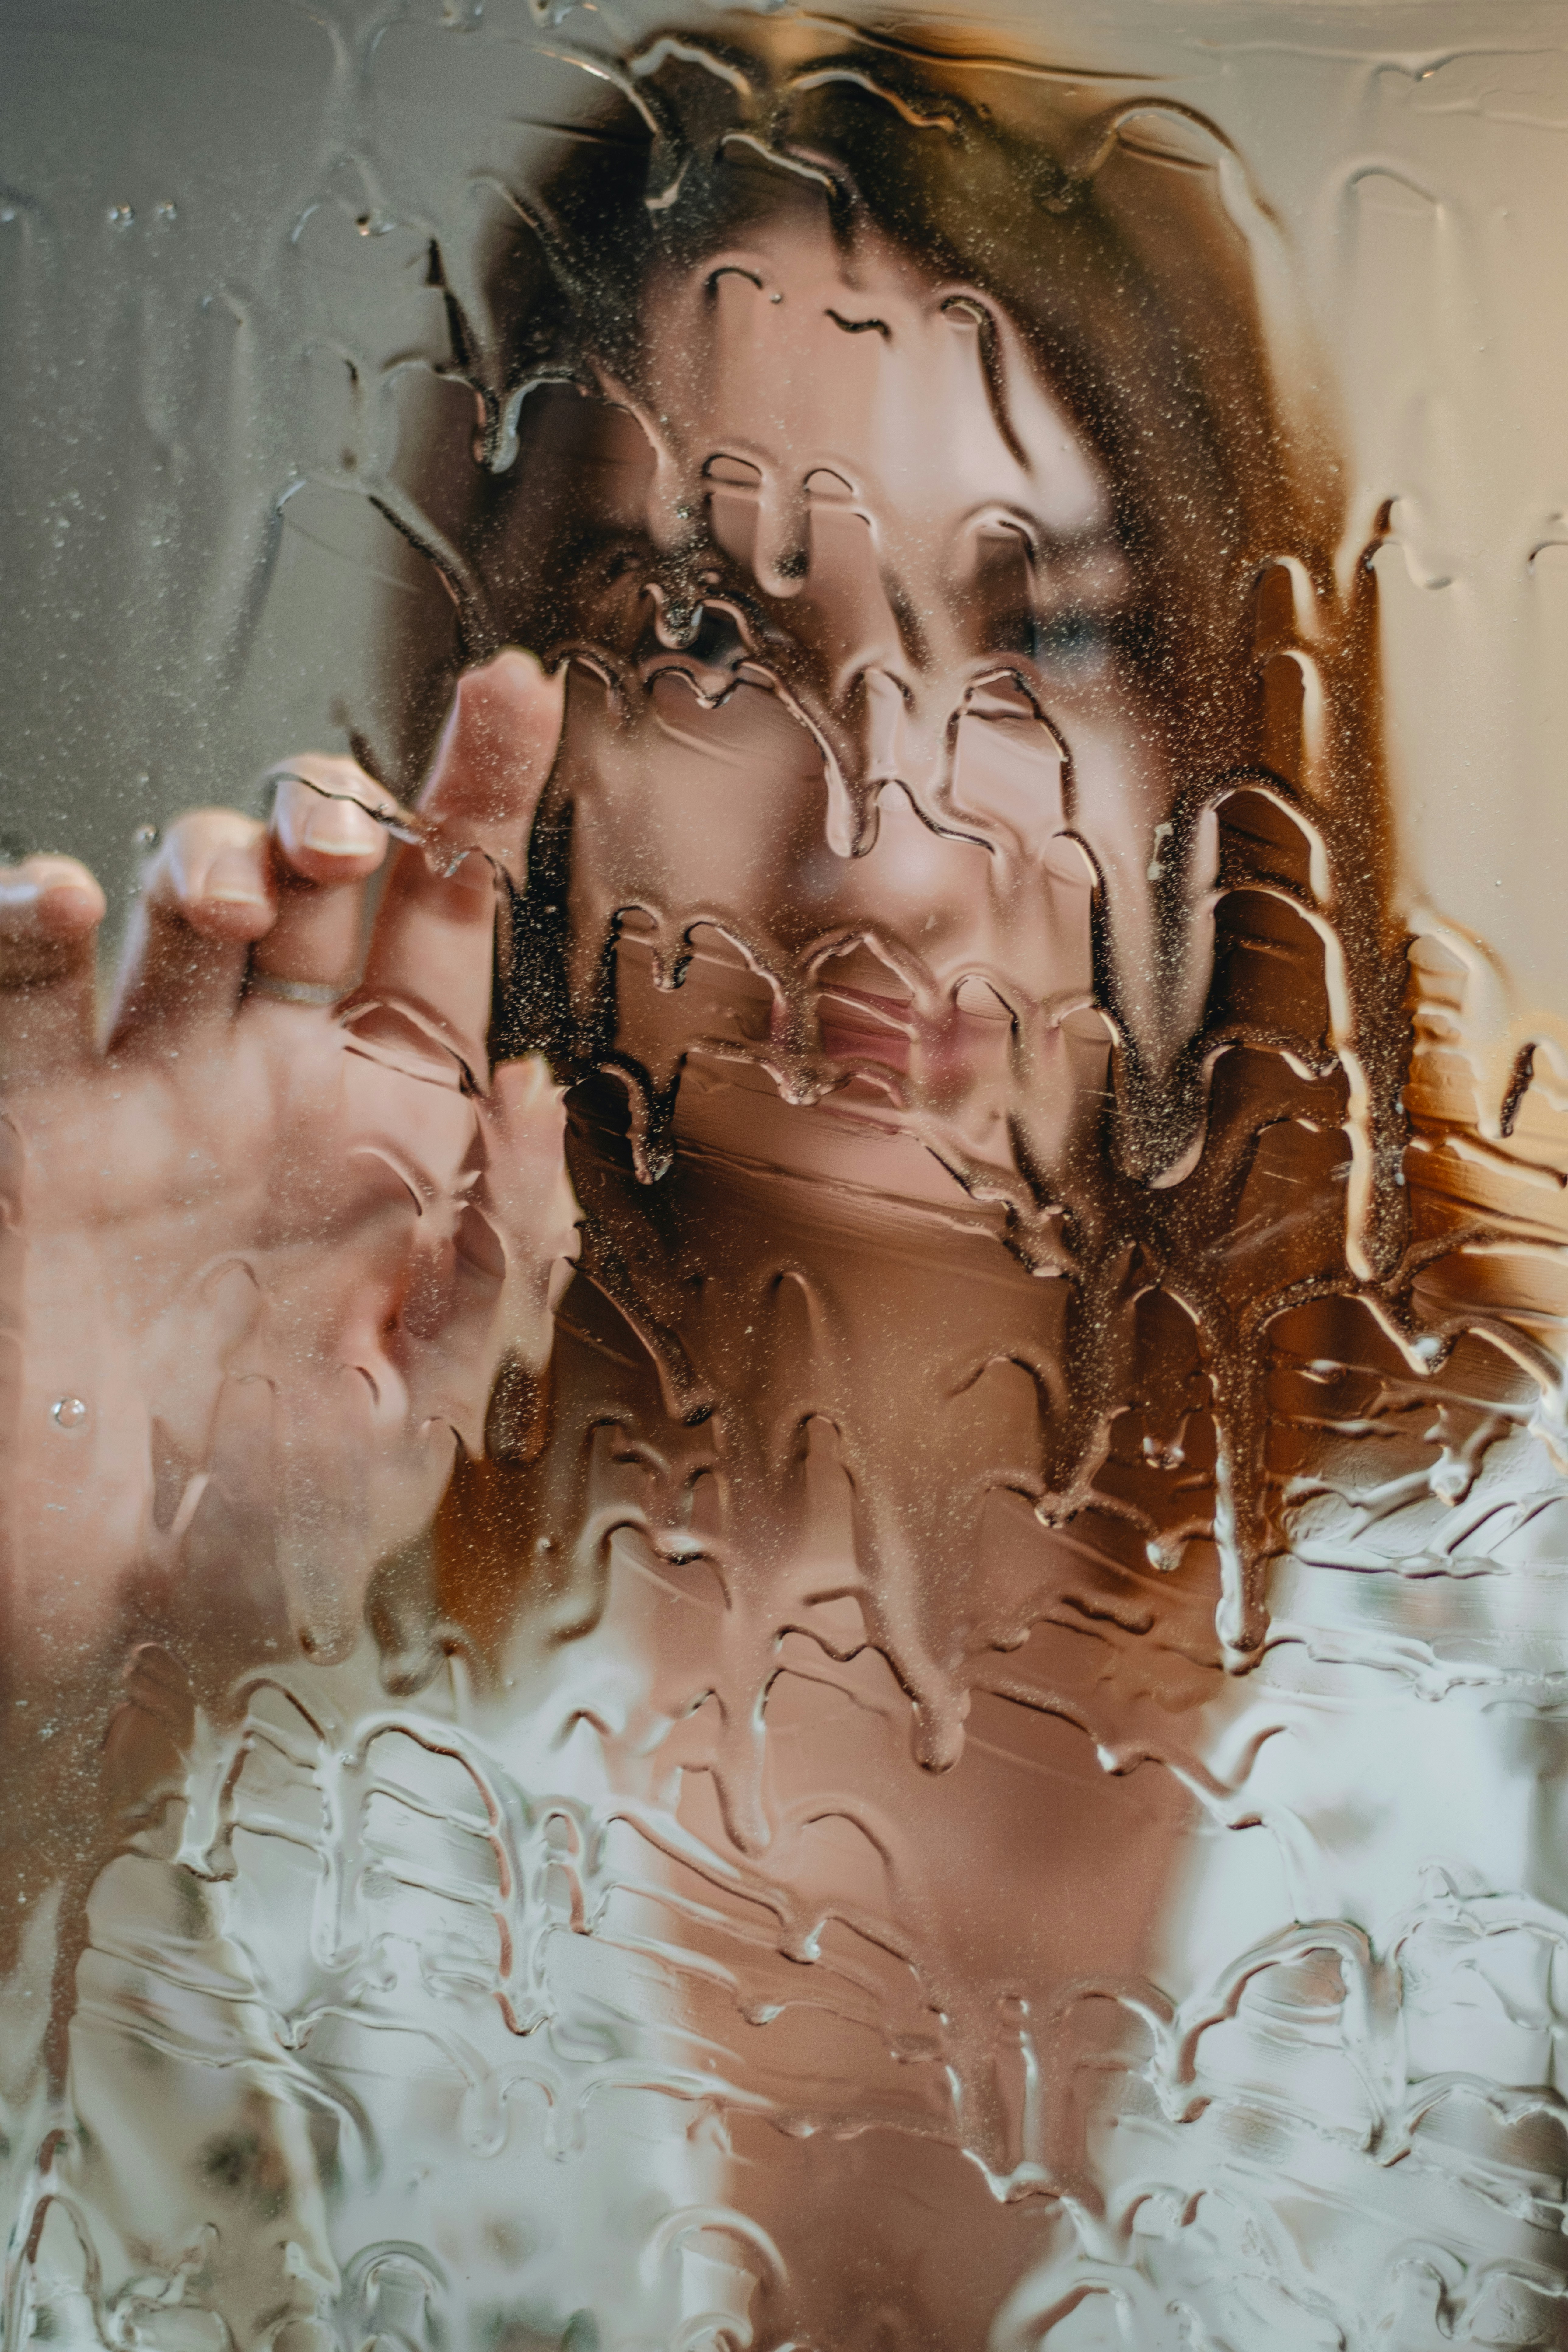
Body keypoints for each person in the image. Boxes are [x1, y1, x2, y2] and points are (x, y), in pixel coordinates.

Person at [2, 31, 1558, 2352]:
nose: (885, 860)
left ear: (1240, 719)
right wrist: (52, 1719)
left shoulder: (1517, 1660)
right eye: (708, 644)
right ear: (511, 716)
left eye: (1049, 638)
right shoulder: (279, 1687)